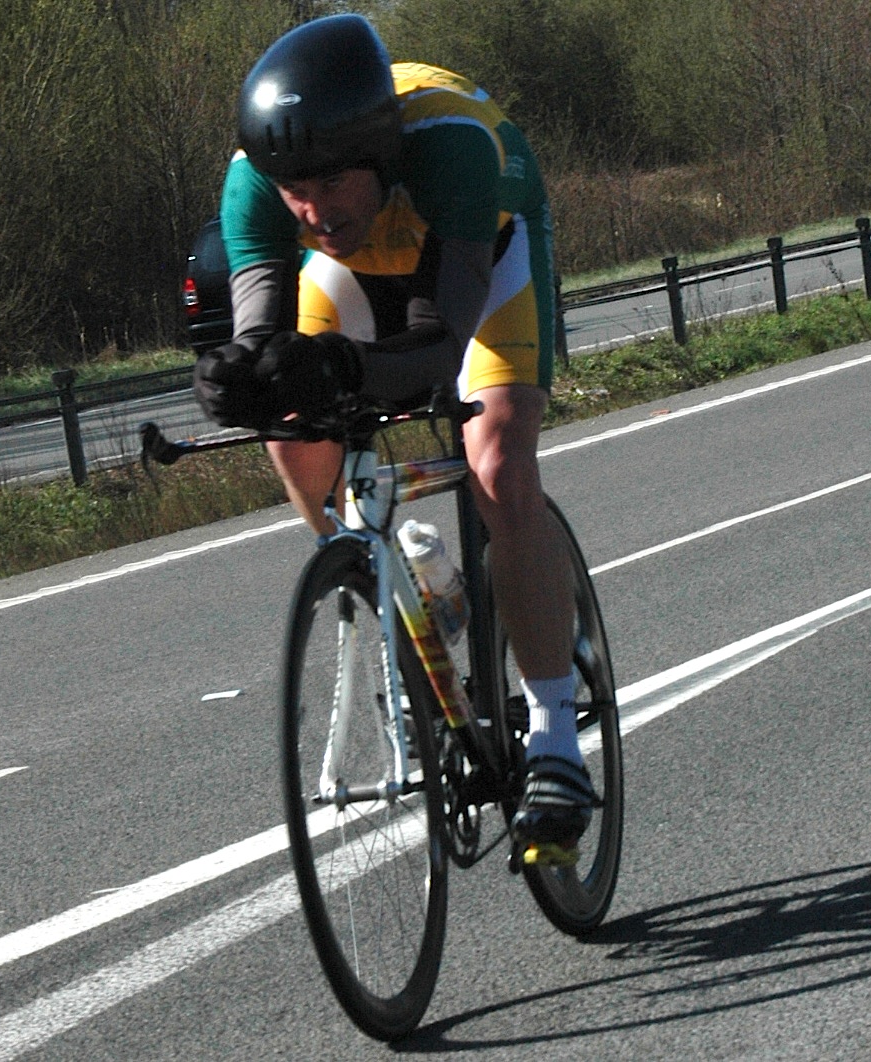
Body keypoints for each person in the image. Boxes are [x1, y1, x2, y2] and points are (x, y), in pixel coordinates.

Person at [191, 13, 592, 865]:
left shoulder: (451, 147)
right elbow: (262, 330)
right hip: (356, 278)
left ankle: (556, 735)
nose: (314, 210)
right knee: (289, 419)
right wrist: (241, 374)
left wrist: (343, 366)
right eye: (296, 191)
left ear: (377, 154)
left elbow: (438, 350)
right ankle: (393, 590)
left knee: (497, 460)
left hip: (484, 255)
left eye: (334, 183)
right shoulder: (256, 180)